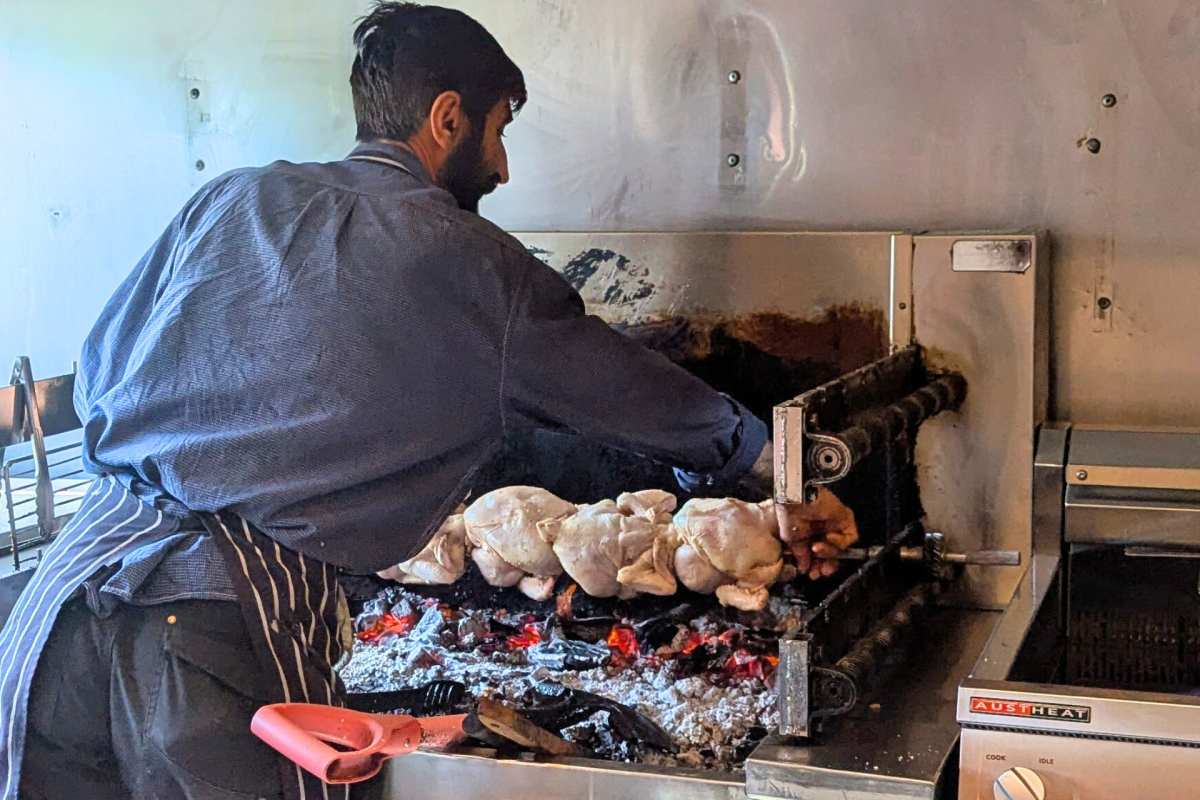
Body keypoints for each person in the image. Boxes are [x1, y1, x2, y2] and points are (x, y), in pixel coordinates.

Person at [0, 4, 857, 799]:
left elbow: (103, 367)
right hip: (209, 649)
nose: (503, 164)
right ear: (447, 118)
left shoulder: (230, 198)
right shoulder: (468, 261)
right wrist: (769, 468)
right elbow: (627, 392)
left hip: (59, 616)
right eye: (498, 130)